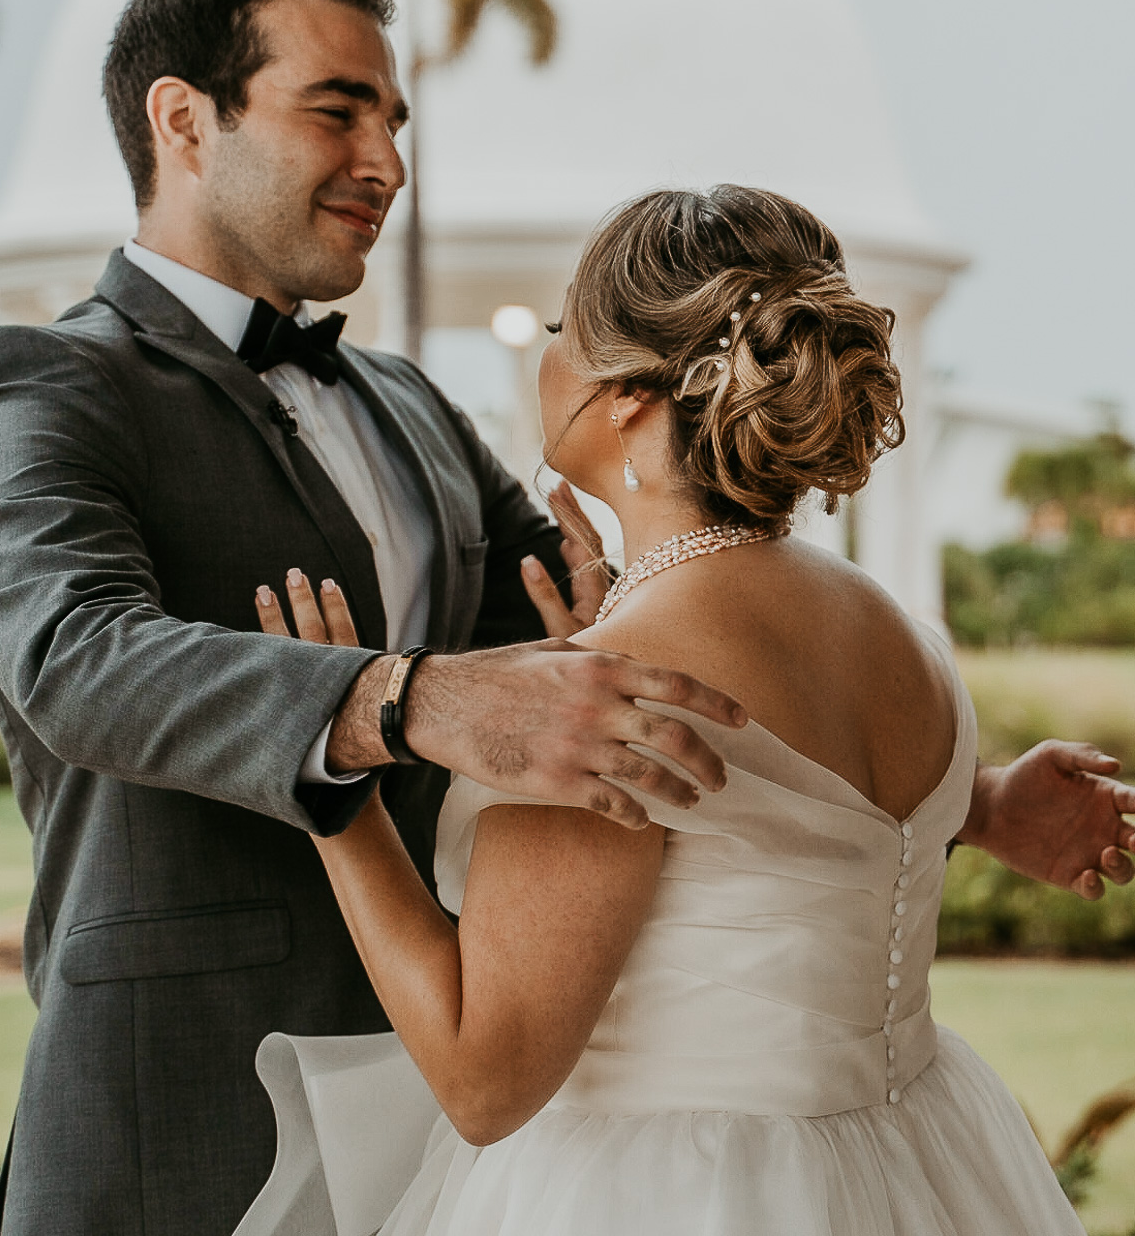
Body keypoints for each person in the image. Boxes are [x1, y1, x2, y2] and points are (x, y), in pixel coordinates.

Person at [0, 0, 1127, 1235]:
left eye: (394, 119)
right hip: (189, 1110)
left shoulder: (404, 406)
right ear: (184, 121)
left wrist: (961, 801)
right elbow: (71, 656)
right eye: (337, 110)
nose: (386, 160)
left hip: (488, 1117)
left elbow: (649, 699)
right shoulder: (40, 381)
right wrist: (404, 703)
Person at [262, 184, 1125, 1235]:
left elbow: (484, 1083)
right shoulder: (903, 637)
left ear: (625, 394)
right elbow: (808, 839)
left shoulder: (595, 695)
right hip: (915, 1165)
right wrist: (979, 803)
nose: (544, 357)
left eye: (556, 332)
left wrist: (336, 762)